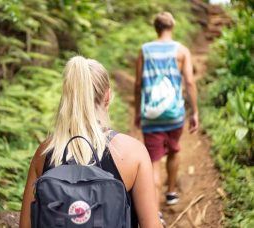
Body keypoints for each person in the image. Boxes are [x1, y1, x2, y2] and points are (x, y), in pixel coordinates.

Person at [20, 56, 163, 228]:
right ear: (108, 97)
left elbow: (25, 225)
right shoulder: (132, 152)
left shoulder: (45, 152)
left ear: (67, 97)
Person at [134, 12, 199, 207]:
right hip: (174, 115)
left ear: (156, 28)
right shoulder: (182, 51)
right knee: (173, 151)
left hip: (151, 115)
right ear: (172, 27)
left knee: (153, 160)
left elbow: (138, 85)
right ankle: (170, 193)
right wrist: (194, 112)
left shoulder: (144, 50)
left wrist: (138, 111)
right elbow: (189, 82)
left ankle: (154, 209)